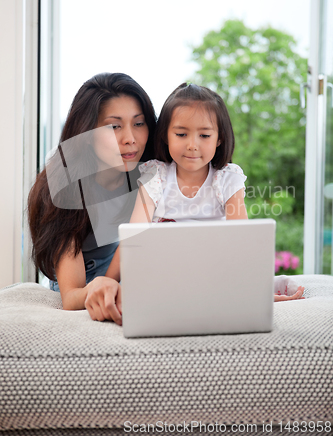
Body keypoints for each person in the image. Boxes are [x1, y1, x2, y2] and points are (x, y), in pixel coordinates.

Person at [107, 83, 304, 303]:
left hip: (214, 273)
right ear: (165, 135)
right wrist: (108, 283)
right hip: (163, 272)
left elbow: (242, 241)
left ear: (219, 138)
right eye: (181, 134)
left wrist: (258, 287)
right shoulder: (156, 175)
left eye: (204, 135)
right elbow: (132, 237)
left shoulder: (227, 178)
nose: (192, 145)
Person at [28, 72, 156, 323]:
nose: (130, 138)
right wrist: (102, 286)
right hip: (87, 284)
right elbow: (72, 295)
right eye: (114, 126)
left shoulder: (152, 174)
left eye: (139, 123)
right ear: (86, 134)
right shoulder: (65, 186)